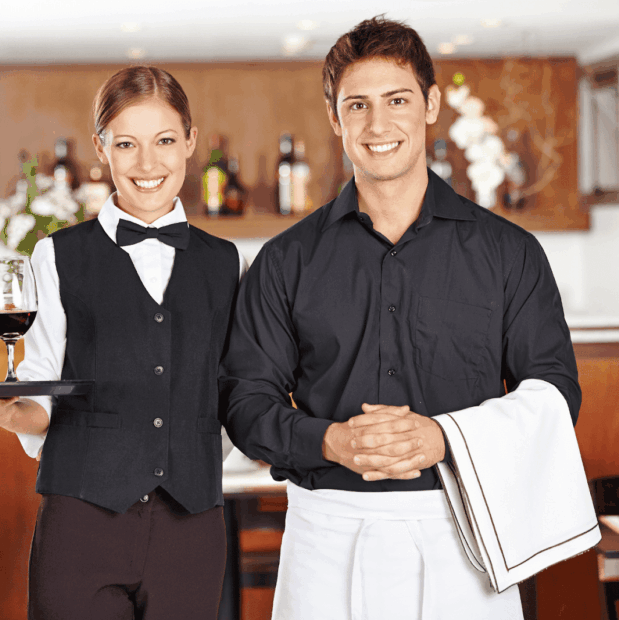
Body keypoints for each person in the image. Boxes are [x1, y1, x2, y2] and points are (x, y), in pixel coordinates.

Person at [219, 16, 580, 620]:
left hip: (467, 531)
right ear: (335, 119)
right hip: (324, 536)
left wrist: (441, 438)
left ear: (431, 104)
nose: (378, 124)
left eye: (397, 100)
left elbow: (555, 393)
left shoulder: (510, 253)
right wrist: (331, 440)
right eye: (357, 105)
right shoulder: (283, 261)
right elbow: (244, 401)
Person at [0, 66, 243, 620]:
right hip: (82, 525)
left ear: (190, 142)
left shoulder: (226, 263)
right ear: (101, 148)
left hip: (192, 528)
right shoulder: (56, 255)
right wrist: (8, 416)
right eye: (127, 144)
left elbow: (230, 390)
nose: (148, 164)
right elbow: (42, 385)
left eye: (165, 141)